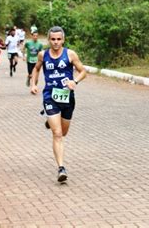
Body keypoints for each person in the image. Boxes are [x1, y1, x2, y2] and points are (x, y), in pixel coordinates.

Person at [30, 26, 87, 183]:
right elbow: (36, 69)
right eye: (53, 39)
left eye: (58, 39)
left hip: (67, 98)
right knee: (57, 133)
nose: (55, 42)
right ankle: (61, 168)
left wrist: (74, 81)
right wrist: (33, 84)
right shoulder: (43, 55)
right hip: (50, 96)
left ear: (63, 40)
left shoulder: (70, 54)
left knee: (64, 132)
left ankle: (50, 120)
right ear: (48, 40)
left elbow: (83, 71)